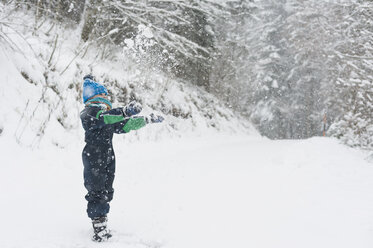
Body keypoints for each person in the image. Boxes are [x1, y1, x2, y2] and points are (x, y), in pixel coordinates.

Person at [80, 74, 164, 242]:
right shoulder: (88, 113)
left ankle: (102, 219)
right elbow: (106, 118)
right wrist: (124, 111)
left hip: (108, 156)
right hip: (94, 157)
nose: (107, 99)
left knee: (106, 188)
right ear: (95, 96)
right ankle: (99, 226)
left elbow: (124, 125)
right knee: (97, 190)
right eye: (104, 96)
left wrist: (146, 120)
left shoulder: (105, 114)